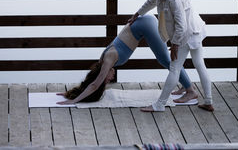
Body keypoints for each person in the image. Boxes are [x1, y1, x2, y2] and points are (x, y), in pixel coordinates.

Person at [57, 14, 197, 104]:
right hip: (143, 23)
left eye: (106, 79)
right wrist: (71, 93)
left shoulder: (107, 61)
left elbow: (94, 85)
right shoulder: (103, 61)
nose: (110, 79)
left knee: (166, 60)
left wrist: (74, 100)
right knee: (164, 60)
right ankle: (185, 87)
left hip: (146, 25)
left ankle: (190, 90)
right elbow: (90, 82)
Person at [128, 0, 214, 112]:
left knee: (175, 68)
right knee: (199, 64)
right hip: (193, 31)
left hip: (187, 33)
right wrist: (136, 15)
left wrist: (175, 45)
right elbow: (150, 2)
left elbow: (181, 25)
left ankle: (159, 105)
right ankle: (208, 101)